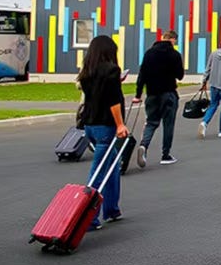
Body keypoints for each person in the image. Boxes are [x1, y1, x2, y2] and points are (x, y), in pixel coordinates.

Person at [77, 35, 128, 231]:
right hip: (106, 125)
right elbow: (113, 100)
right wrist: (120, 124)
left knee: (112, 167)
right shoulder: (111, 70)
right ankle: (88, 218)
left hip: (90, 124)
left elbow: (96, 94)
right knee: (97, 173)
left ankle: (112, 209)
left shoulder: (87, 72)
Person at [134, 30, 184, 167]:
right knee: (168, 124)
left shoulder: (149, 53)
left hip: (152, 94)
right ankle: (165, 155)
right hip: (168, 93)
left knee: (151, 122)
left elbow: (141, 75)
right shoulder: (174, 55)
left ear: (162, 38)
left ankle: (144, 146)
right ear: (173, 40)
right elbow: (180, 75)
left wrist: (138, 95)